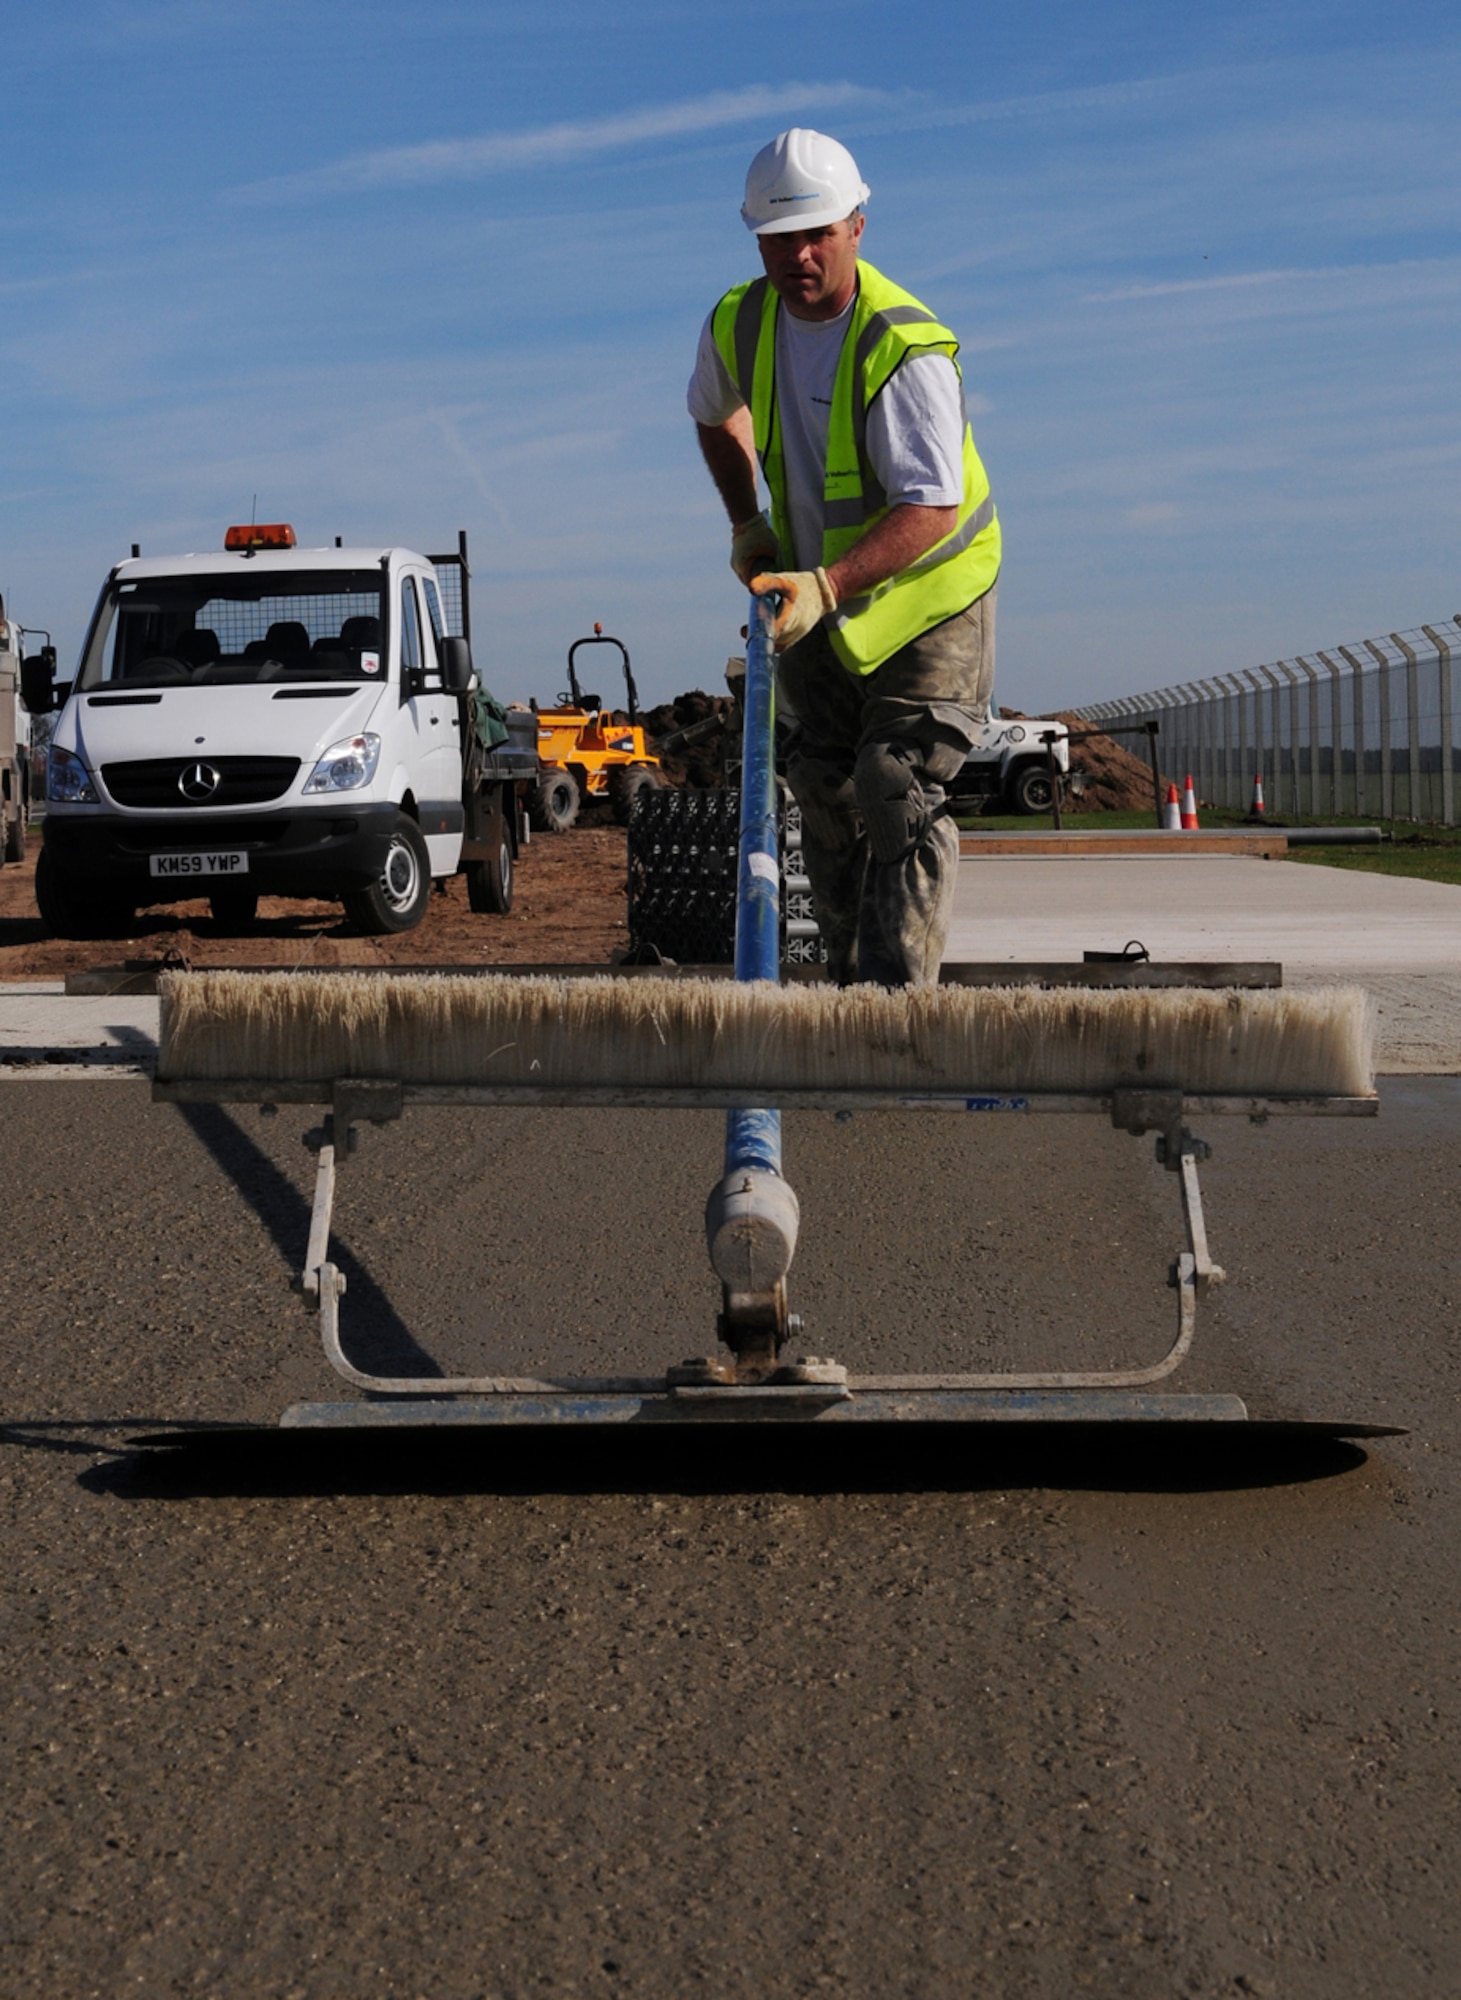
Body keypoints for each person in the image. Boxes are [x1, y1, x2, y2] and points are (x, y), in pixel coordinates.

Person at [688, 128, 1001, 986]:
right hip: (815, 595)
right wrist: (746, 525)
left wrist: (827, 584)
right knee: (822, 784)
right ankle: (846, 983)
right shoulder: (738, 320)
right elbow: (714, 414)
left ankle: (895, 1010)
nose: (799, 254)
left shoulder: (902, 347)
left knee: (892, 783)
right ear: (756, 238)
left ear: (857, 225)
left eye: (817, 232)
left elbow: (931, 505)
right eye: (780, 237)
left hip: (930, 597)